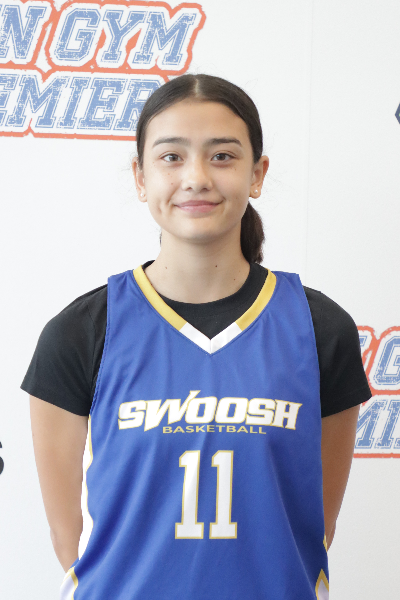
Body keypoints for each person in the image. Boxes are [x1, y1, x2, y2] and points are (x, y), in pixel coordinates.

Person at [22, 73, 371, 599]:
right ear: (141, 177)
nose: (196, 177)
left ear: (257, 174)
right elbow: (67, 538)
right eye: (171, 157)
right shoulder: (81, 332)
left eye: (222, 156)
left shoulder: (319, 328)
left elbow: (315, 523)